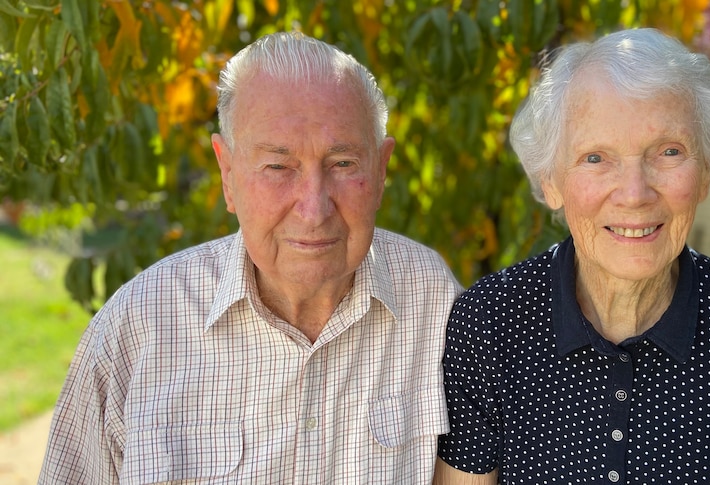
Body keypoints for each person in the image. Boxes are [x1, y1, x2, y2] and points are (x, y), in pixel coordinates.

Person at [39, 31, 462, 484]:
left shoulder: (435, 304)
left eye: (342, 164)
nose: (314, 208)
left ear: (381, 171)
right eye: (278, 167)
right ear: (227, 173)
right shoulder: (140, 326)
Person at [434, 28, 710, 484]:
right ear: (550, 181)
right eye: (596, 158)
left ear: (705, 172)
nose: (634, 194)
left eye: (669, 152)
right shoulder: (492, 320)